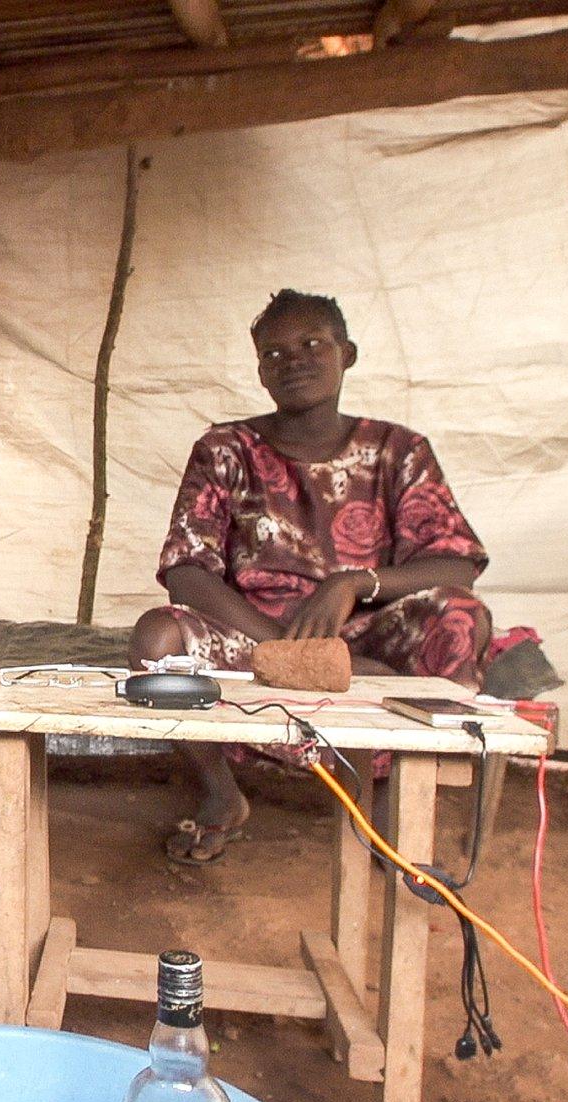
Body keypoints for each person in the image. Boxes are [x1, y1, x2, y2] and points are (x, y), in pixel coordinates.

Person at [131, 290, 491, 864]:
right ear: (259, 372)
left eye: (311, 344)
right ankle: (222, 796)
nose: (292, 360)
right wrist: (283, 650)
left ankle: (395, 810)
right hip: (258, 636)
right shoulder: (226, 448)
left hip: (363, 640)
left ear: (348, 353)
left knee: (459, 616)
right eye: (273, 353)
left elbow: (457, 564)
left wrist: (351, 583)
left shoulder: (398, 449)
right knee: (157, 640)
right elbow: (186, 569)